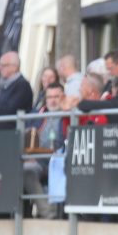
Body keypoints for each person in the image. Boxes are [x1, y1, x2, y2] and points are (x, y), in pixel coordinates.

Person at [23, 82, 66, 219]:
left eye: (56, 97)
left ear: (63, 97)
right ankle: (43, 211)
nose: (52, 100)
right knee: (22, 169)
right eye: (49, 97)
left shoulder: (68, 116)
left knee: (28, 169)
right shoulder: (39, 116)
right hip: (38, 159)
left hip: (59, 159)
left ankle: (48, 213)